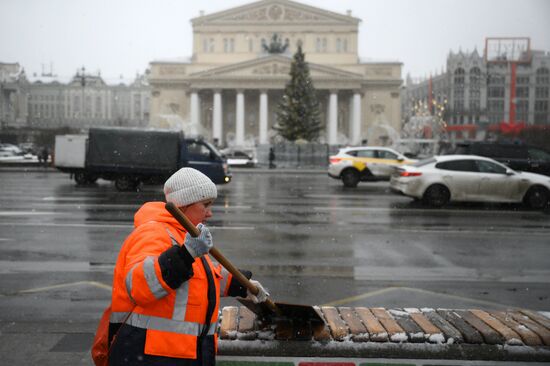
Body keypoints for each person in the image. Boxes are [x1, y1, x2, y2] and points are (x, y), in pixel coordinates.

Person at [108, 167, 268, 365]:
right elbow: (141, 287)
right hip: (153, 355)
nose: (209, 213)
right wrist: (185, 254)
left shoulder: (181, 234)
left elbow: (196, 281)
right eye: (205, 205)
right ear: (183, 206)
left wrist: (241, 284)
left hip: (177, 352)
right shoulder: (154, 233)